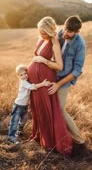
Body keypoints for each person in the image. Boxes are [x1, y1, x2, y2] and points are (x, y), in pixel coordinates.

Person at [33, 15, 86, 144]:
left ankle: (78, 139)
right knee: (47, 106)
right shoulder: (61, 32)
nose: (65, 33)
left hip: (64, 80)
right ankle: (52, 135)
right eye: (65, 29)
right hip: (51, 75)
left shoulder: (80, 45)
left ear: (77, 32)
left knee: (60, 108)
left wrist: (58, 85)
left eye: (70, 32)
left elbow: (77, 71)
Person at [27, 16, 72, 157]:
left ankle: (51, 142)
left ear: (50, 30)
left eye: (44, 32)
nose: (41, 34)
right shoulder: (40, 39)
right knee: (38, 108)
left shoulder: (55, 42)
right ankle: (40, 136)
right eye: (40, 31)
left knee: (47, 110)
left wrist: (43, 61)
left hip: (46, 81)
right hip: (36, 83)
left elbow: (59, 66)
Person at [8, 64, 50, 144]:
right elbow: (32, 87)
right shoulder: (23, 82)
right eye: (21, 75)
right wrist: (42, 84)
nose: (24, 76)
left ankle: (19, 131)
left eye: (25, 73)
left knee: (24, 120)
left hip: (25, 106)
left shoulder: (27, 81)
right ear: (18, 76)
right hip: (18, 105)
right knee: (15, 121)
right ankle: (11, 137)